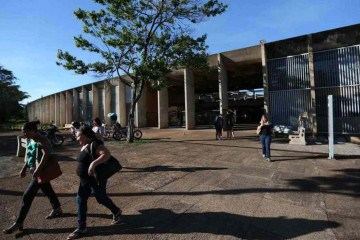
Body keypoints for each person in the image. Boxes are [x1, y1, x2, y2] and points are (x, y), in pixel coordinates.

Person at [3, 121, 62, 234]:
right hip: (34, 170)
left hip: (41, 172)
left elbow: (47, 154)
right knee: (47, 190)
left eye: (25, 132)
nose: (24, 134)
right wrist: (24, 169)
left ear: (33, 130)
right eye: (23, 132)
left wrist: (38, 169)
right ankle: (57, 208)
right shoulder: (31, 139)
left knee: (27, 196)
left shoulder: (42, 139)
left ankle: (19, 222)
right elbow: (29, 154)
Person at [67, 126, 122, 240]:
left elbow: (106, 154)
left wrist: (93, 164)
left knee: (101, 198)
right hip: (84, 181)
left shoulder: (95, 144)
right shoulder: (84, 145)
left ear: (85, 136)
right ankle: (81, 227)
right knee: (81, 200)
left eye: (78, 136)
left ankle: (116, 211)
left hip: (95, 179)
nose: (76, 138)